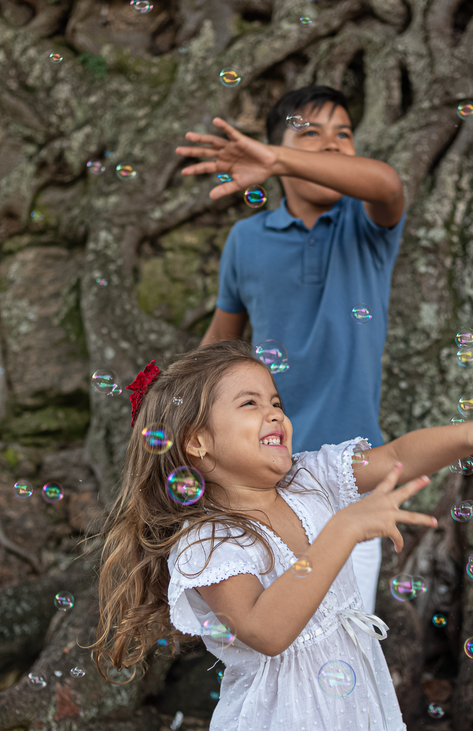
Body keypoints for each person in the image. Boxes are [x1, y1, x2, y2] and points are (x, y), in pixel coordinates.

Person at [92, 340, 473, 731]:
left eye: (276, 402)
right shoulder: (209, 543)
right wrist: (342, 530)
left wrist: (471, 434)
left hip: (352, 719)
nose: (274, 414)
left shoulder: (310, 478)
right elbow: (266, 631)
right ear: (196, 441)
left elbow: (394, 458)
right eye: (249, 403)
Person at [177, 85, 406, 614]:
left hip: (351, 475)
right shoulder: (246, 240)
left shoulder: (366, 225)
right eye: (311, 133)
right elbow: (221, 342)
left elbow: (387, 182)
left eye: (343, 135)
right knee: (271, 629)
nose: (331, 145)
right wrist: (173, 403)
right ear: (274, 150)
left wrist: (283, 158)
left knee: (346, 627)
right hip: (260, 476)